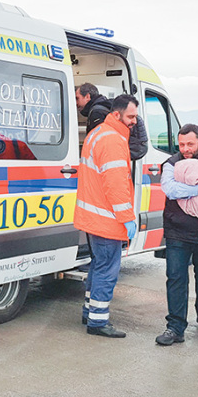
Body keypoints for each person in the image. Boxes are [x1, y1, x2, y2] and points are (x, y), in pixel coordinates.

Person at [74, 94, 139, 338]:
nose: (134, 121)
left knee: (97, 266)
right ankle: (98, 322)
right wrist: (127, 218)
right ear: (116, 114)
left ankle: (90, 312)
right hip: (107, 220)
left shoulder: (97, 134)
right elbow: (116, 185)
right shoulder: (113, 140)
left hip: (94, 217)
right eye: (130, 116)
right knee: (106, 271)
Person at [155, 124, 198, 346]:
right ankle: (175, 327)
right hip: (177, 231)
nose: (185, 149)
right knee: (176, 277)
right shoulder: (171, 164)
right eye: (181, 144)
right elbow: (171, 190)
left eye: (190, 144)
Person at [76, 83, 148, 160]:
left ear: (87, 96)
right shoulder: (104, 106)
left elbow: (98, 144)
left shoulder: (97, 112)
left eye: (77, 98)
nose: (76, 103)